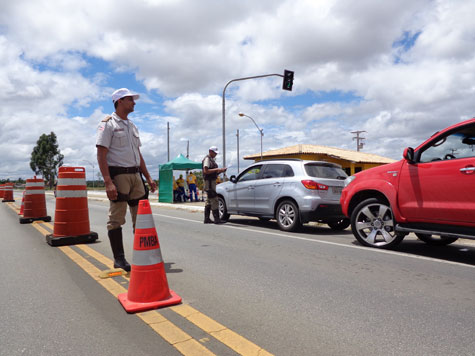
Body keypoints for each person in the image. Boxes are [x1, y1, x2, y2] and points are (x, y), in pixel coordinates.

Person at [96, 88, 157, 272]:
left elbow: (138, 154)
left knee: (141, 219)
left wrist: (148, 177)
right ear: (120, 101)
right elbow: (101, 153)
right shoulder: (108, 124)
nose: (134, 103)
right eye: (130, 99)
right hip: (119, 175)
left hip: (136, 176)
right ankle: (119, 259)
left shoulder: (132, 126)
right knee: (116, 218)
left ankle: (142, 256)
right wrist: (108, 181)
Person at [202, 146, 227, 224]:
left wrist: (220, 171)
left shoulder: (211, 160)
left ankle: (207, 219)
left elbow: (212, 172)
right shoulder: (207, 159)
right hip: (209, 182)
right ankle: (217, 219)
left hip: (211, 181)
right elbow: (205, 171)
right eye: (214, 153)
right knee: (214, 199)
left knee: (209, 200)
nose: (215, 155)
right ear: (210, 151)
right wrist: (217, 169)